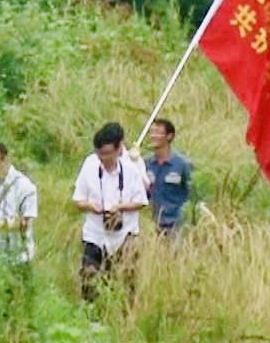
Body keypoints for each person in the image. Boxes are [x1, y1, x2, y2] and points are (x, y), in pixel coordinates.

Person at [72, 121, 148, 301]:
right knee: (89, 280)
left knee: (125, 284)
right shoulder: (90, 164)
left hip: (124, 235)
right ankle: (90, 319)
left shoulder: (131, 166)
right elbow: (78, 200)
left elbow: (142, 201)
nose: (103, 159)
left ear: (118, 149)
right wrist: (92, 207)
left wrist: (120, 208)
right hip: (95, 235)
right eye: (100, 154)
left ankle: (123, 320)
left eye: (107, 154)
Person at [144, 118, 194, 235]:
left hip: (177, 225)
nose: (153, 136)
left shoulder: (183, 164)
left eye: (158, 133)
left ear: (169, 136)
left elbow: (193, 195)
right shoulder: (146, 163)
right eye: (152, 132)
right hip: (153, 225)